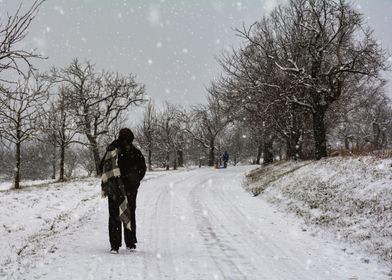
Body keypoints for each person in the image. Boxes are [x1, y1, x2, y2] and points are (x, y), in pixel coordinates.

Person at [100, 128, 146, 254]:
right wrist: (135, 181)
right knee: (129, 214)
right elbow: (143, 168)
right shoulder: (134, 151)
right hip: (130, 188)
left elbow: (102, 167)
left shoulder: (111, 150)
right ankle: (130, 243)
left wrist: (111, 181)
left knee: (114, 216)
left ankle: (114, 246)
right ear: (131, 138)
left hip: (114, 189)